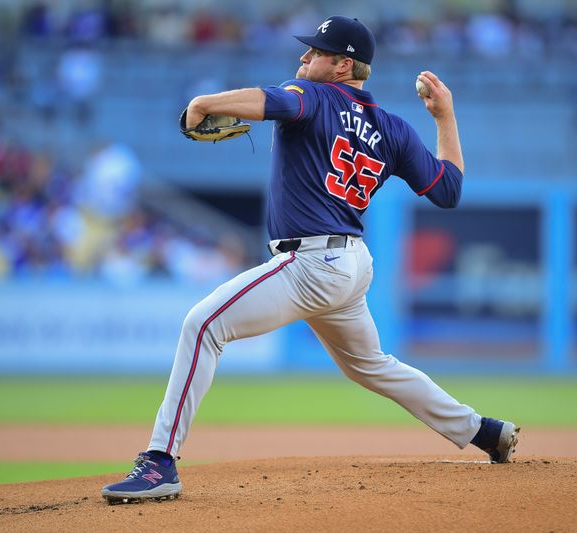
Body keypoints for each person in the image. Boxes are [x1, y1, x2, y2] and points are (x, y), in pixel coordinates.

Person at [101, 15, 519, 503]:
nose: (303, 60)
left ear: (342, 65)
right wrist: (445, 117)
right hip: (352, 265)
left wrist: (203, 103)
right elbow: (449, 190)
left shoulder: (312, 96)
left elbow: (270, 100)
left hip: (311, 263)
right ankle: (485, 431)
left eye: (314, 53)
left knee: (203, 325)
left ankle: (159, 463)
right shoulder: (394, 129)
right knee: (372, 366)